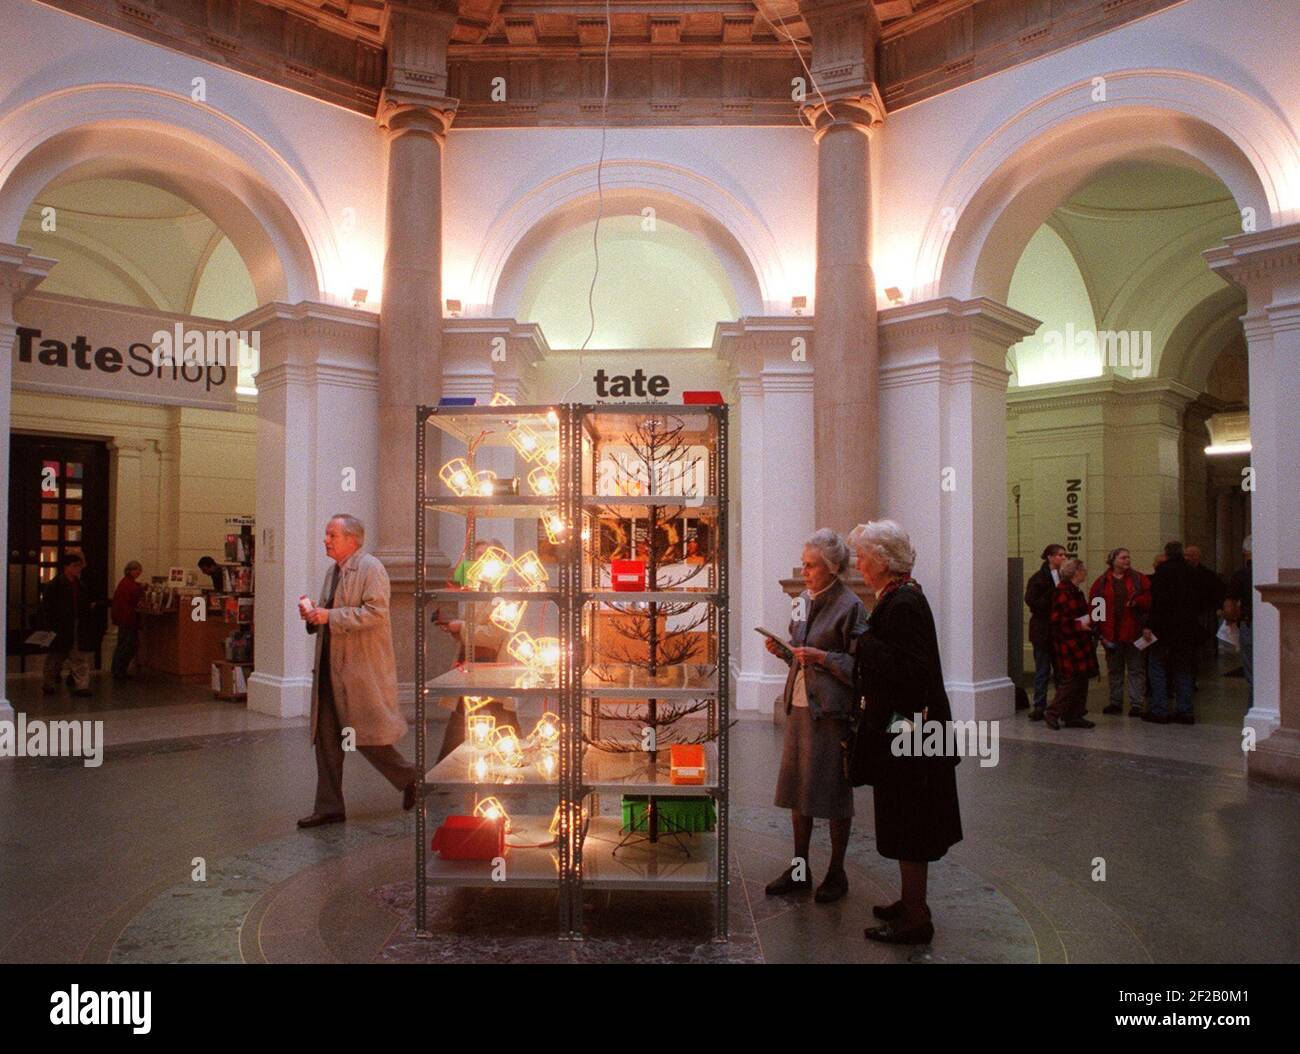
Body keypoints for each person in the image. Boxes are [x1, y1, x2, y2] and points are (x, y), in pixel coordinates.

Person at [849, 520, 962, 945]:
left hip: (911, 737)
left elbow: (914, 672)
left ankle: (916, 916)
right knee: (902, 819)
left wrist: (864, 644)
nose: (858, 564)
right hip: (908, 734)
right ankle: (910, 901)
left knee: (911, 824)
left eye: (862, 557)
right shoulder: (898, 598)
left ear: (882, 561)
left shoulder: (904, 604)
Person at [298, 514, 422, 829]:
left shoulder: (371, 568)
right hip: (329, 671)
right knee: (326, 741)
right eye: (326, 535)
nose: (326, 540)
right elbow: (332, 614)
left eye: (332, 535)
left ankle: (411, 777)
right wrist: (313, 615)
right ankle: (329, 807)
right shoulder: (332, 572)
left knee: (365, 736)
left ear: (353, 539)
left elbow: (376, 613)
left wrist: (329, 616)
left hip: (358, 672)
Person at [765, 528, 866, 905]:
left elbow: (860, 665)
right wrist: (784, 652)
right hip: (801, 706)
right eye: (804, 564)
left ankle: (836, 871)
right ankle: (799, 867)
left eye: (811, 566)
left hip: (831, 712)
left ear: (833, 567)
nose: (804, 572)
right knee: (797, 789)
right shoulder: (802, 602)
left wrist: (823, 658)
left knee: (834, 792)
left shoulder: (851, 606)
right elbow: (799, 651)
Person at [433, 538, 519, 762]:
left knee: (501, 716)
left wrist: (460, 627)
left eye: (484, 555)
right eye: (476, 555)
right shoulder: (478, 590)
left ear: (499, 559)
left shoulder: (505, 594)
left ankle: (515, 758)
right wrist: (456, 629)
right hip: (472, 665)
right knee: (466, 718)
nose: (478, 561)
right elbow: (476, 629)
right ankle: (443, 768)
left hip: (493, 666)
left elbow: (493, 635)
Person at [1088, 549, 1150, 717]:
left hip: (1134, 632)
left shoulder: (1139, 579)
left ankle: (1136, 703)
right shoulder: (1102, 583)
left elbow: (1150, 600)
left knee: (1136, 669)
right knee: (1114, 670)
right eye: (1123, 557)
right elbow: (1096, 606)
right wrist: (1097, 630)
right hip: (1111, 634)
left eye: (1128, 557)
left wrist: (1138, 602)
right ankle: (1115, 701)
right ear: (1113, 560)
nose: (1127, 560)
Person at [1145, 541, 1201, 725]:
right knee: (1183, 670)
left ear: (1166, 553)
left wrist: (1150, 626)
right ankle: (1185, 710)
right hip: (1186, 629)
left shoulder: (1163, 572)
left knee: (1157, 667)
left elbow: (1157, 603)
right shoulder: (1192, 572)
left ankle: (1159, 709)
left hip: (1164, 630)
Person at [38, 551, 103, 698]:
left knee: (78, 655)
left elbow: (82, 603)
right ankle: (48, 682)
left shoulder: (80, 585)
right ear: (66, 567)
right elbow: (47, 608)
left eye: (79, 566)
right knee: (56, 657)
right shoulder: (55, 585)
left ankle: (82, 685)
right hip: (60, 626)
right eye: (75, 566)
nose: (78, 569)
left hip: (76, 624)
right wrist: (50, 626)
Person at [1046, 557, 1098, 730]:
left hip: (1078, 641)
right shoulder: (1064, 592)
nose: (1085, 572)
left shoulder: (1074, 590)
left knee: (1081, 679)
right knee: (1072, 680)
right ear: (1076, 572)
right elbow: (1057, 620)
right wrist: (1079, 625)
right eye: (1083, 569)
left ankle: (1074, 714)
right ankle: (1053, 712)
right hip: (1070, 642)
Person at [1024, 543, 1066, 720]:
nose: (1063, 558)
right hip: (1043, 629)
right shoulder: (1038, 578)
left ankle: (1061, 703)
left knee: (1060, 670)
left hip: (1058, 630)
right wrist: (1052, 597)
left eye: (1064, 555)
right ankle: (1040, 704)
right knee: (1042, 669)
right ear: (1050, 557)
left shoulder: (1064, 577)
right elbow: (1031, 600)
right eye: (1060, 555)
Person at [1223, 534, 1254, 709]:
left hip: (1249, 624)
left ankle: (1254, 711)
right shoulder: (1270, 572)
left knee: (1252, 674)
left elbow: (1229, 607)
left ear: (1244, 552)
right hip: (1272, 626)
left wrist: (1230, 620)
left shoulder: (1242, 574)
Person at [110, 560, 146, 679]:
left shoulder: (125, 583)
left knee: (123, 644)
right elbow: (135, 597)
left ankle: (117, 669)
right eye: (136, 569)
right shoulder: (130, 585)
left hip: (123, 618)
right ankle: (120, 671)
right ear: (129, 571)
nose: (139, 572)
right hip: (128, 618)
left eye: (139, 569)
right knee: (128, 645)